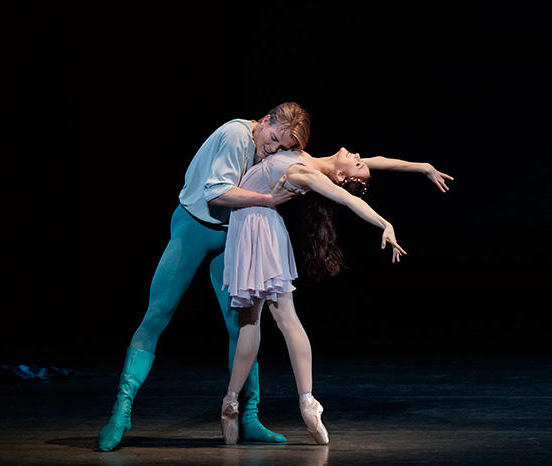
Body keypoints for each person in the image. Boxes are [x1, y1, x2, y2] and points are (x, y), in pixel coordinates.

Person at [97, 102, 311, 452]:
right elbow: (217, 192)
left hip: (231, 235)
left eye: (281, 147)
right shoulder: (235, 135)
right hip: (195, 227)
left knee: (244, 324)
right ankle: (121, 410)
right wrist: (268, 199)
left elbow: (320, 164)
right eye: (273, 139)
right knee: (158, 312)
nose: (272, 150)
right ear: (266, 120)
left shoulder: (272, 144)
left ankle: (249, 416)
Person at [219, 147, 453, 444]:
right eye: (358, 159)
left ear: (341, 175)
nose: (358, 155)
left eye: (356, 164)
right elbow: (379, 161)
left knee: (277, 319)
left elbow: (347, 198)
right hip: (248, 227)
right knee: (252, 322)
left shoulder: (304, 173)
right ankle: (237, 402)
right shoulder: (312, 160)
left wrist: (385, 223)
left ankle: (284, 401)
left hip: (258, 231)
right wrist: (423, 164)